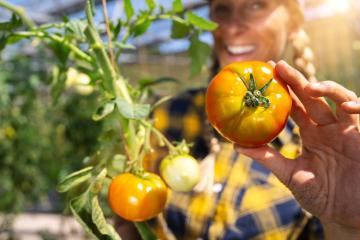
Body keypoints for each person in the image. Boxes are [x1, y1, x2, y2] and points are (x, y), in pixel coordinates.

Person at [146, 0, 360, 239]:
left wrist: (347, 225)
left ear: (293, 23)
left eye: (256, 5)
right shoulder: (167, 115)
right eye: (222, 9)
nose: (230, 28)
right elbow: (133, 221)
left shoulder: (319, 152)